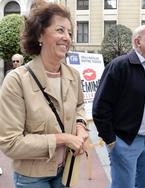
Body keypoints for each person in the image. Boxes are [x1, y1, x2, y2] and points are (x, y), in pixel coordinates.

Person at [0, 2, 89, 188]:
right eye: (60, 30)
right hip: (32, 177)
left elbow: (79, 106)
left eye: (70, 33)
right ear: (40, 34)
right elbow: (11, 143)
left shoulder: (73, 75)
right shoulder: (16, 81)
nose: (67, 38)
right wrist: (64, 138)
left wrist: (80, 127)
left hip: (66, 169)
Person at [93, 24, 145, 188]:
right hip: (125, 142)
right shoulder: (119, 66)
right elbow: (100, 107)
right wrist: (110, 140)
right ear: (138, 42)